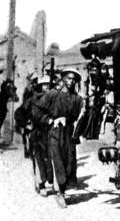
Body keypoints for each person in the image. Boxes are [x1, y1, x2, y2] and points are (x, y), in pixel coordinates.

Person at [33, 68, 85, 208]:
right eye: (68, 78)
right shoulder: (52, 95)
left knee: (69, 162)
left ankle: (62, 189)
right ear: (63, 79)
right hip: (54, 132)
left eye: (74, 79)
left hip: (68, 133)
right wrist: (50, 120)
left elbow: (80, 117)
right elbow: (37, 111)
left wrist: (82, 114)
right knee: (58, 161)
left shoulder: (77, 98)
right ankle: (60, 193)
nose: (71, 81)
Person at [21, 75, 54, 196]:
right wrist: (26, 125)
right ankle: (41, 184)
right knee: (39, 158)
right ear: (40, 86)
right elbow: (19, 113)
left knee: (50, 158)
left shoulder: (53, 99)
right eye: (45, 85)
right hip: (37, 133)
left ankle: (52, 181)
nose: (47, 87)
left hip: (50, 132)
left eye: (49, 85)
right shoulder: (32, 100)